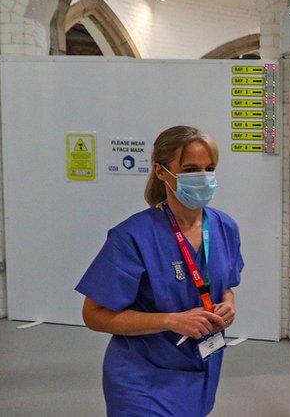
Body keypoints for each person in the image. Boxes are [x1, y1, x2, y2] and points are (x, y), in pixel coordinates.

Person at [76, 126, 244, 416]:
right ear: (161, 171)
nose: (203, 177)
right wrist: (171, 320)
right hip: (141, 378)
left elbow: (225, 284)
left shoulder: (224, 228)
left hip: (200, 371)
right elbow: (93, 314)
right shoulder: (132, 236)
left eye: (209, 168)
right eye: (191, 169)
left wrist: (228, 304)